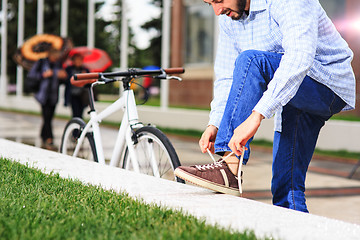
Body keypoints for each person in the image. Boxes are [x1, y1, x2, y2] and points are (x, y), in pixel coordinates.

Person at [174, 0, 355, 213]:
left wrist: (256, 115)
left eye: (219, 0)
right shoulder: (229, 18)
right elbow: (227, 77)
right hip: (292, 93)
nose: (217, 11)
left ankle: (229, 168)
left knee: (252, 60)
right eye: (209, 3)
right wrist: (215, 123)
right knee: (285, 187)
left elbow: (299, 57)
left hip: (327, 83)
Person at [27, 48, 67, 150]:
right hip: (43, 95)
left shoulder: (58, 65)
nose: (56, 57)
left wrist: (62, 76)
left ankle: (43, 135)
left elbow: (62, 81)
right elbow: (31, 75)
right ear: (50, 54)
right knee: (47, 116)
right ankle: (49, 138)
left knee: (49, 117)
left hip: (54, 95)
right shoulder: (41, 62)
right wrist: (43, 75)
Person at [64, 53, 90, 119]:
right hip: (73, 94)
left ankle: (79, 128)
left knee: (81, 114)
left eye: (80, 60)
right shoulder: (69, 70)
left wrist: (85, 76)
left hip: (82, 95)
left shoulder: (85, 70)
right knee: (75, 113)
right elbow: (66, 81)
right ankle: (76, 127)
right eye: (77, 60)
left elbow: (89, 82)